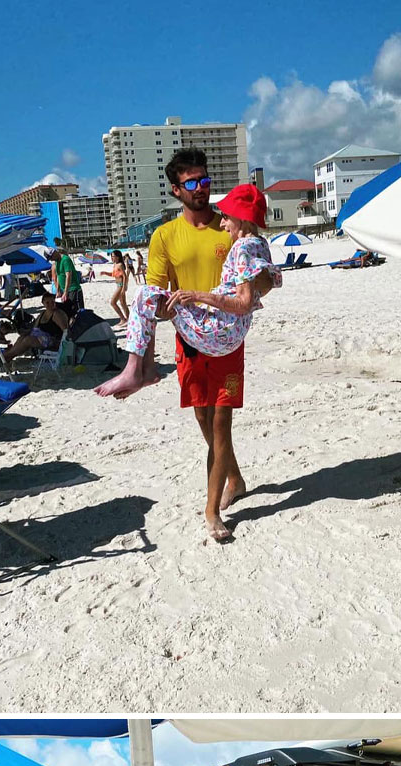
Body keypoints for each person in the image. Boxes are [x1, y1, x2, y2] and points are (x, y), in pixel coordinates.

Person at [97, 184, 277, 542]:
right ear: (178, 187)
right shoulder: (178, 236)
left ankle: (211, 511)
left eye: (226, 215)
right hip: (213, 333)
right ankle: (234, 479)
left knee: (221, 423)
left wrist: (195, 296)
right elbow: (259, 287)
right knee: (204, 417)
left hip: (219, 333)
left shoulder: (242, 245)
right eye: (193, 183)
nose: (221, 219)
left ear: (240, 219)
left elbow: (247, 298)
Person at [0, 288, 68, 364]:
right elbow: (34, 328)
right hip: (41, 337)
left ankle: (5, 356)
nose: (50, 304)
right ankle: (8, 357)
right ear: (43, 303)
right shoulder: (42, 314)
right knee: (21, 338)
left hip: (53, 340)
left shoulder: (57, 314)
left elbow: (65, 331)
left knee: (27, 340)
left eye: (52, 302)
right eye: (47, 302)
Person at [52, 247, 84, 319]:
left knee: (77, 311)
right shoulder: (56, 262)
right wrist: (58, 291)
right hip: (64, 290)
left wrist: (65, 292)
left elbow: (68, 275)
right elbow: (58, 277)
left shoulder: (65, 259)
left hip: (73, 289)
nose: (51, 259)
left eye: (51, 257)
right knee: (69, 311)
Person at [102, 248, 129, 323]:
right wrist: (105, 273)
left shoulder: (120, 265)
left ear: (118, 257)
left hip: (121, 286)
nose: (112, 258)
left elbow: (125, 276)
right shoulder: (115, 265)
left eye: (113, 256)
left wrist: (124, 288)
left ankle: (123, 319)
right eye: (111, 256)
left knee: (113, 302)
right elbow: (113, 274)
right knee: (123, 304)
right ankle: (128, 319)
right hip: (118, 285)